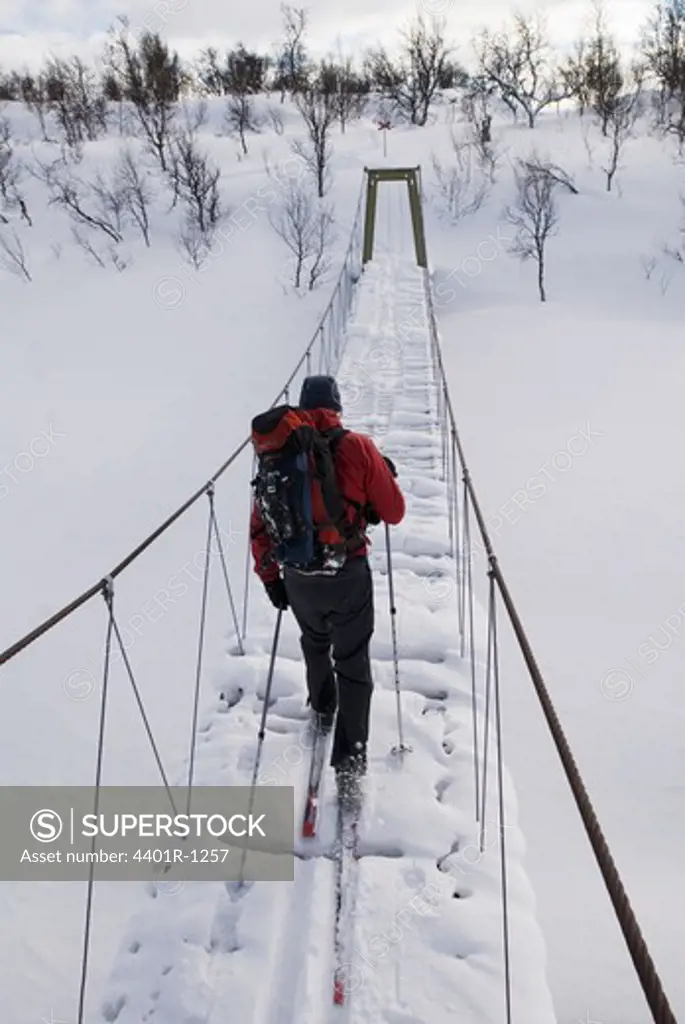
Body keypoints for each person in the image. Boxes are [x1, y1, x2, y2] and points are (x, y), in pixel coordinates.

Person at [250, 375, 405, 784]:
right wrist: (379, 479)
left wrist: (271, 578)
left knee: (314, 642)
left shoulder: (277, 454)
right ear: (336, 406)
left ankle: (321, 709)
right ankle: (350, 764)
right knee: (352, 664)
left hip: (298, 577)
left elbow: (260, 523)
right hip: (347, 573)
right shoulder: (357, 447)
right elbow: (393, 512)